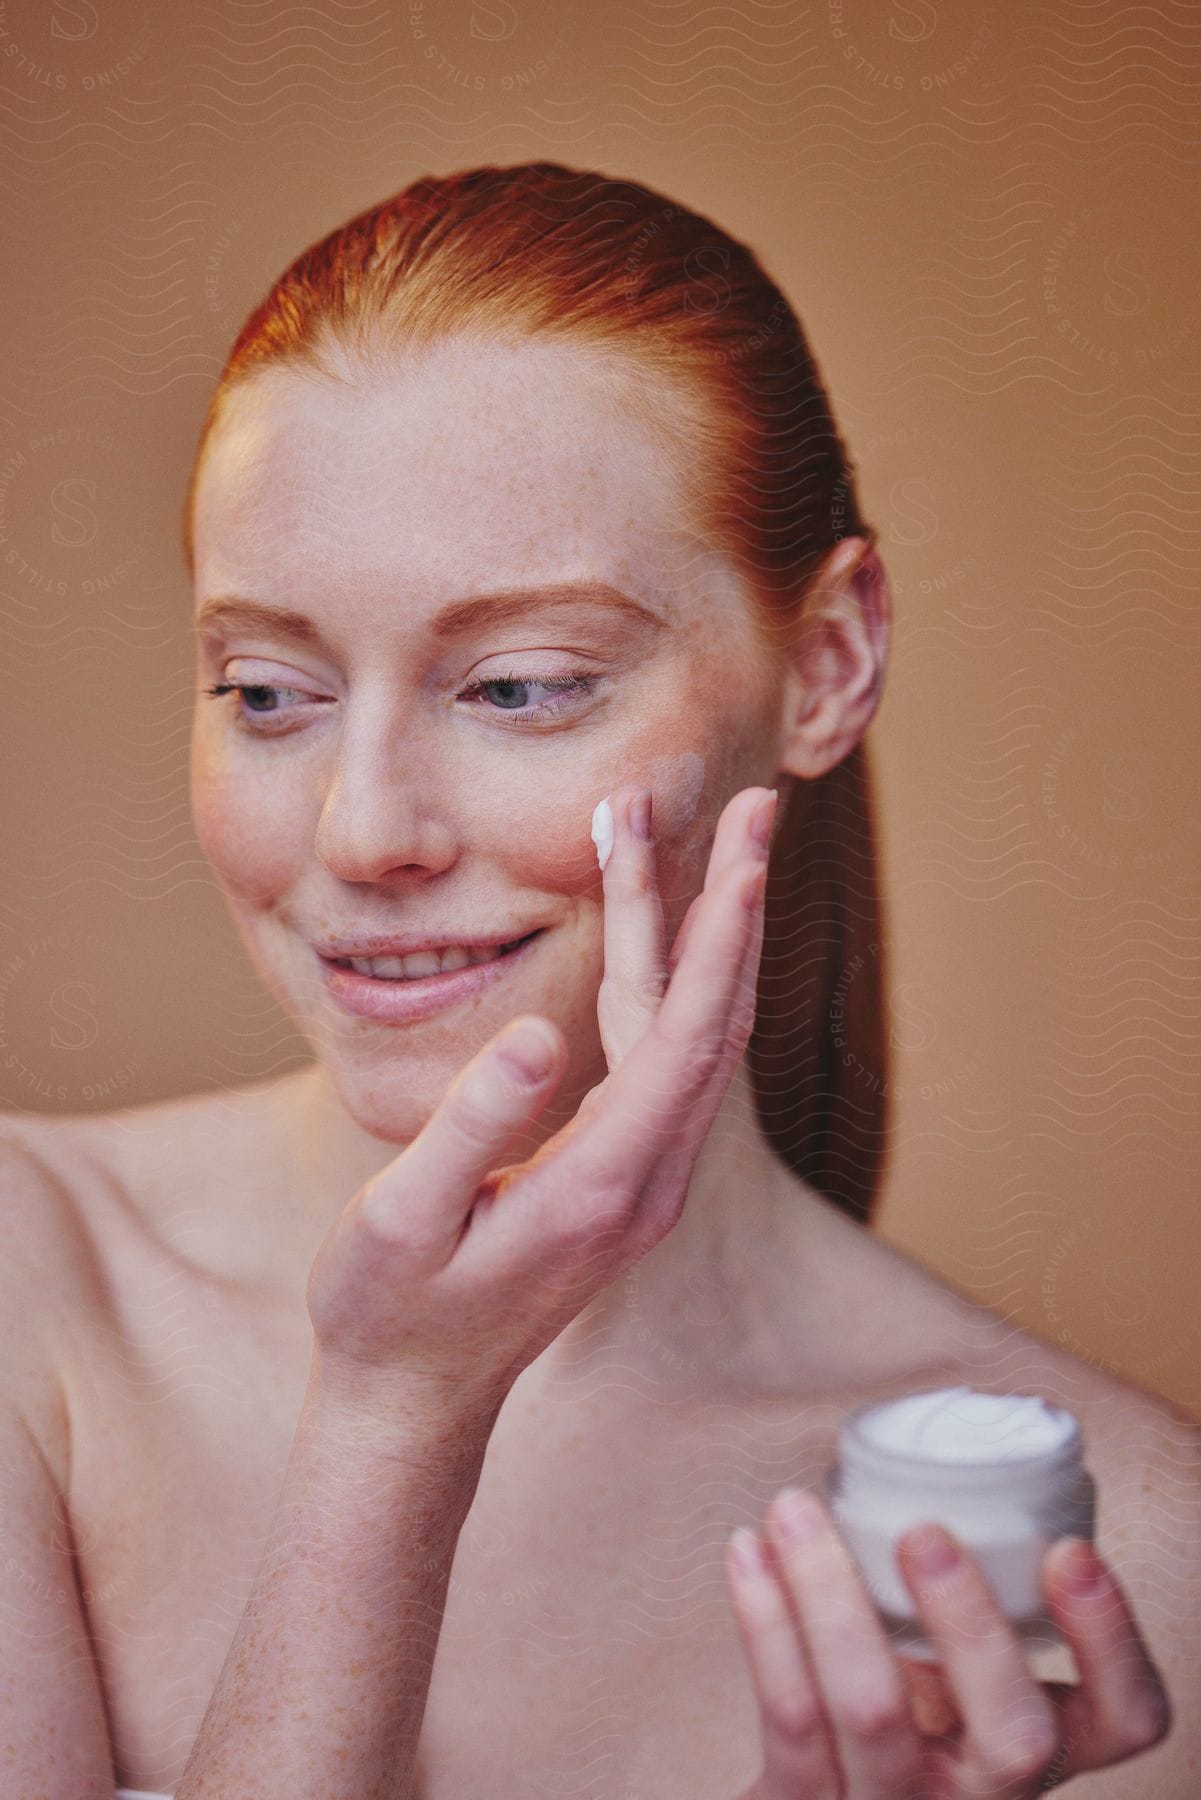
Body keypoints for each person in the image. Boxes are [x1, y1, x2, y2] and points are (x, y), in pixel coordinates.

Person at [0, 161, 1195, 1800]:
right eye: (267, 693)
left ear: (827, 663)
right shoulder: (30, 1292)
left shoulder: (1106, 1552)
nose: (364, 829)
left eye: (519, 686)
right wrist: (392, 1424)